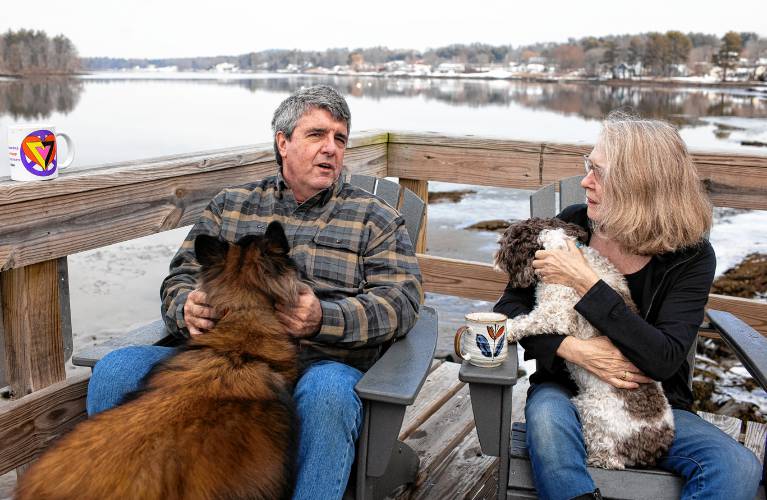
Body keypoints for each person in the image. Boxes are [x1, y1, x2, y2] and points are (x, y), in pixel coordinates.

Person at [86, 85, 423, 499]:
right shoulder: (233, 205)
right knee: (116, 370)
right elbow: (179, 279)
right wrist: (185, 309)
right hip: (222, 361)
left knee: (328, 395)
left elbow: (403, 301)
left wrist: (324, 319)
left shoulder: (376, 217)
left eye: (340, 138)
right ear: (283, 142)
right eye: (317, 135)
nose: (331, 148)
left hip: (318, 365)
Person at [494, 111, 762, 500]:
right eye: (589, 166)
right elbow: (507, 310)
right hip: (565, 390)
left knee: (738, 465)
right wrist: (574, 350)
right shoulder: (572, 227)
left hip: (654, 407)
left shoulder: (690, 257)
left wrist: (585, 281)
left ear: (640, 185)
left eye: (599, 172)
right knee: (548, 422)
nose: (586, 181)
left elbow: (664, 358)